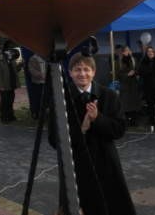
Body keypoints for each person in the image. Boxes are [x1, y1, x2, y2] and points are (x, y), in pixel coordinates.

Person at [49, 53, 135, 215]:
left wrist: (98, 119)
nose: (82, 74)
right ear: (70, 72)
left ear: (94, 72)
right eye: (77, 70)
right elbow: (54, 139)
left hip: (106, 164)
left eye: (86, 69)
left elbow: (119, 130)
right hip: (74, 167)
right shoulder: (60, 99)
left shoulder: (108, 95)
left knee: (110, 207)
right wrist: (82, 129)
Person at [137, 46, 155, 127]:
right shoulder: (143, 61)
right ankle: (152, 121)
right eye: (148, 51)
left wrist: (149, 71)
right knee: (150, 105)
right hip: (148, 87)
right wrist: (151, 71)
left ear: (154, 52)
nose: (150, 53)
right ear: (146, 53)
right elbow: (140, 71)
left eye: (151, 51)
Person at [0, 45, 22, 123]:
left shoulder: (12, 61)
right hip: (4, 86)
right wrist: (0, 86)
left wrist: (20, 65)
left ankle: (11, 116)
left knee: (11, 101)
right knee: (4, 102)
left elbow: (15, 71)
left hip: (11, 85)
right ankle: (4, 117)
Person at [117, 45, 142, 125]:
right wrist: (127, 75)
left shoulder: (133, 59)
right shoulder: (119, 61)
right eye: (125, 50)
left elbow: (138, 69)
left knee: (134, 103)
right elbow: (117, 73)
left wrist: (135, 72)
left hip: (133, 84)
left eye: (128, 50)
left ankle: (134, 120)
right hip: (125, 85)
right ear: (123, 52)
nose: (127, 52)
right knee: (125, 103)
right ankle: (127, 120)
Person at [27, 53, 47, 120]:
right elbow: (32, 70)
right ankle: (37, 114)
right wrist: (41, 75)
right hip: (37, 83)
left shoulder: (45, 57)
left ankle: (45, 114)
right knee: (38, 100)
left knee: (45, 100)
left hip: (46, 82)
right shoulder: (33, 59)